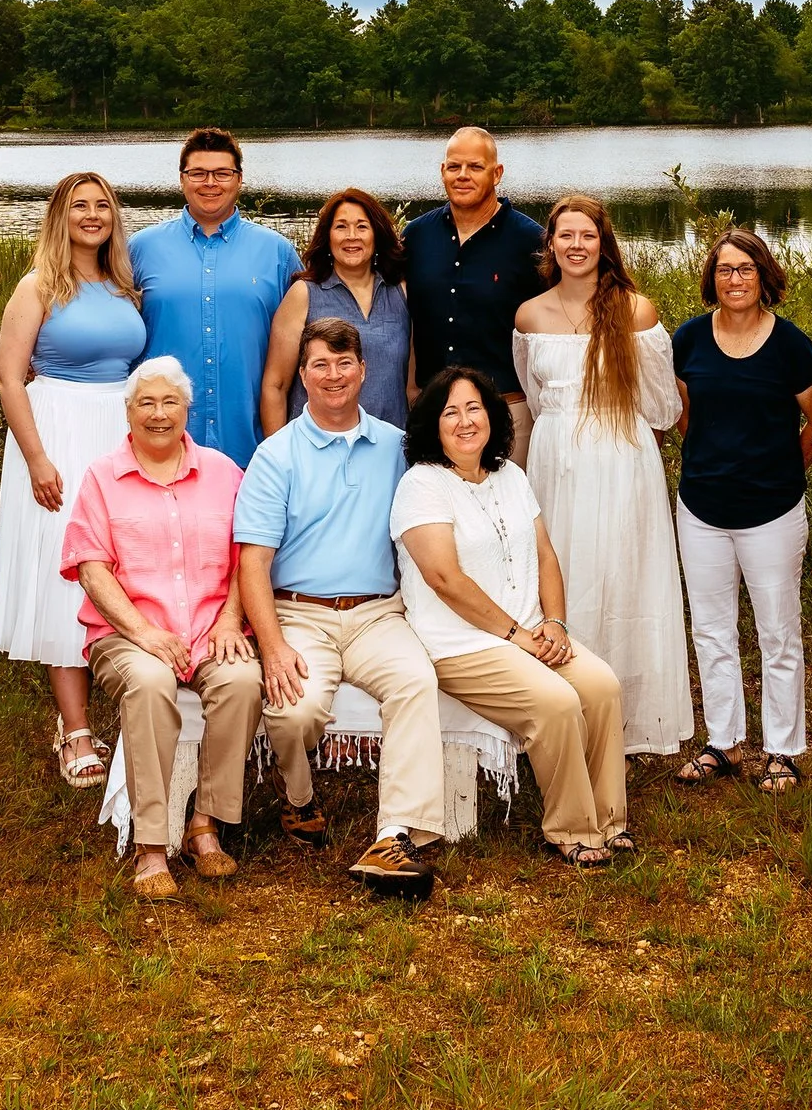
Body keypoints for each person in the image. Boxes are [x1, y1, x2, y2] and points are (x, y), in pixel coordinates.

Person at [237, 317, 446, 896]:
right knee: (292, 711)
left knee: (414, 683)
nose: (333, 375)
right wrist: (273, 645)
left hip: (379, 613)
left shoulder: (395, 448)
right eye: (320, 365)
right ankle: (299, 797)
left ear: (363, 370)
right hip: (300, 614)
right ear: (302, 375)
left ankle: (396, 834)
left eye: (344, 363)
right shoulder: (275, 456)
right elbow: (252, 562)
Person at [393, 368, 630, 866]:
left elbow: (545, 554)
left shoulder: (511, 475)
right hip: (461, 646)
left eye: (473, 408)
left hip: (530, 634)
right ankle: (571, 829)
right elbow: (445, 579)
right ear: (432, 425)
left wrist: (556, 624)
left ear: (491, 415)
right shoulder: (422, 485)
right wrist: (518, 635)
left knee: (603, 686)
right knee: (556, 702)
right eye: (449, 411)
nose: (464, 421)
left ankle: (611, 822)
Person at [61, 358, 262, 901]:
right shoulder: (103, 477)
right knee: (150, 683)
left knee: (242, 682)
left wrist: (229, 618)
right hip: (127, 636)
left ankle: (206, 823)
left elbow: (249, 556)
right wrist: (142, 633)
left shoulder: (223, 472)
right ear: (127, 412)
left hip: (208, 630)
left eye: (169, 402)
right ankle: (152, 845)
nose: (158, 413)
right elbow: (90, 566)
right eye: (145, 403)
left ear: (187, 410)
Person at [510, 194, 691, 757]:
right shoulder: (529, 314)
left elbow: (662, 405)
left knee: (623, 573)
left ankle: (631, 717)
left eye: (587, 235)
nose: (577, 246)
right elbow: (536, 398)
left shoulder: (635, 310)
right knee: (562, 570)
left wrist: (620, 438)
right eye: (566, 235)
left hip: (621, 456)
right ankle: (561, 706)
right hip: (556, 457)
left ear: (603, 242)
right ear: (550, 245)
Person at [0, 172, 148, 786]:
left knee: (120, 563)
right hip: (56, 429)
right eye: (79, 206)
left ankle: (127, 686)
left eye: (102, 205)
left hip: (118, 429)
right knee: (67, 573)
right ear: (59, 217)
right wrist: (36, 458)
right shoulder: (38, 287)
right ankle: (75, 726)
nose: (92, 215)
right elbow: (9, 377)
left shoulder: (123, 286)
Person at [670, 228, 812, 794]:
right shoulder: (687, 340)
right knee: (711, 631)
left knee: (778, 634)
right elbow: (683, 416)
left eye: (746, 269)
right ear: (712, 278)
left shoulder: (791, 346)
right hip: (701, 508)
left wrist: (781, 469)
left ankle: (782, 751)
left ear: (764, 277)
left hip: (773, 511)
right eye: (725, 269)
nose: (735, 279)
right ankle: (723, 743)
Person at [132, 127, 301, 468]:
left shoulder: (277, 253)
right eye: (198, 173)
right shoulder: (139, 249)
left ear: (239, 180)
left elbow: (307, 342)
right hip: (161, 445)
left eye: (222, 173)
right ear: (182, 179)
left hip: (252, 447)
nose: (210, 182)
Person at [401, 127, 551, 452]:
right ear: (442, 172)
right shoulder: (416, 236)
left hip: (507, 411)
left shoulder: (531, 242)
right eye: (454, 167)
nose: (463, 176)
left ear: (497, 173)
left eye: (475, 167)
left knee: (506, 503)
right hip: (434, 412)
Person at [260, 187, 414, 434]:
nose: (351, 236)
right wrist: (278, 455)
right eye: (341, 227)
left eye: (362, 227)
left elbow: (412, 387)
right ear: (327, 237)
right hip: (315, 447)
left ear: (376, 235)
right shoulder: (303, 294)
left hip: (389, 447)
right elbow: (275, 385)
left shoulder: (401, 292)